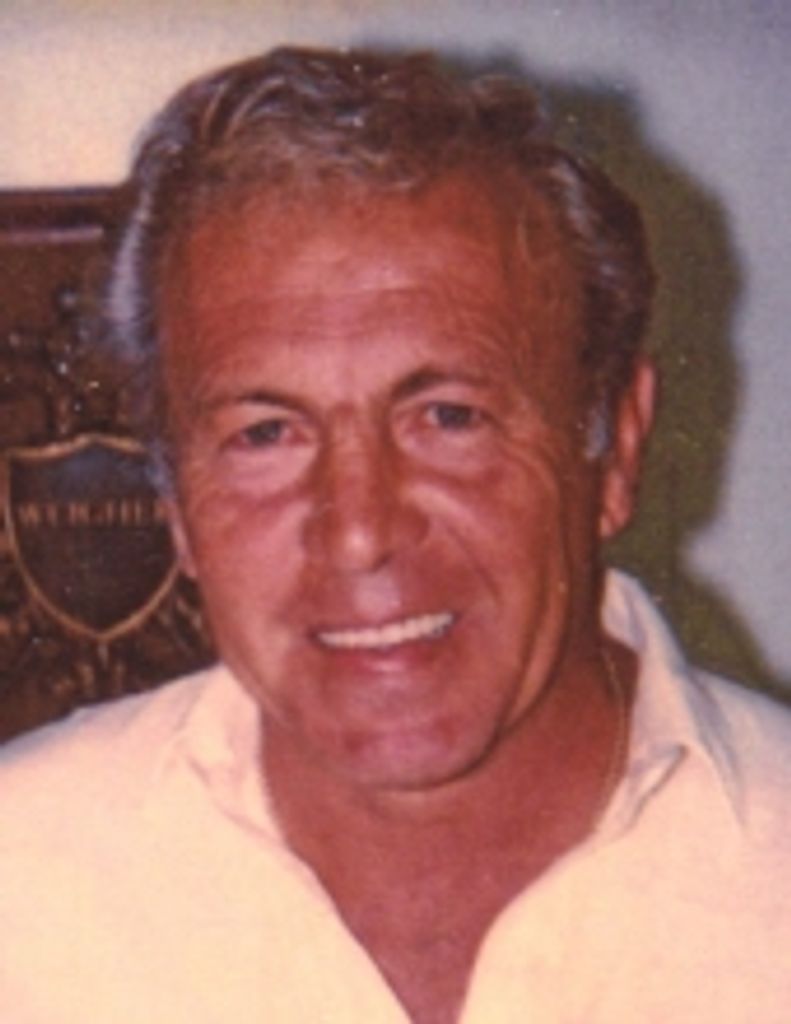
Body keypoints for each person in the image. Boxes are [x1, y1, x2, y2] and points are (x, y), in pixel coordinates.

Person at [1, 46, 790, 1024]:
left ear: (615, 447)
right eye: (265, 434)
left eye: (447, 417)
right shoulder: (24, 890)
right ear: (173, 499)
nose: (359, 534)